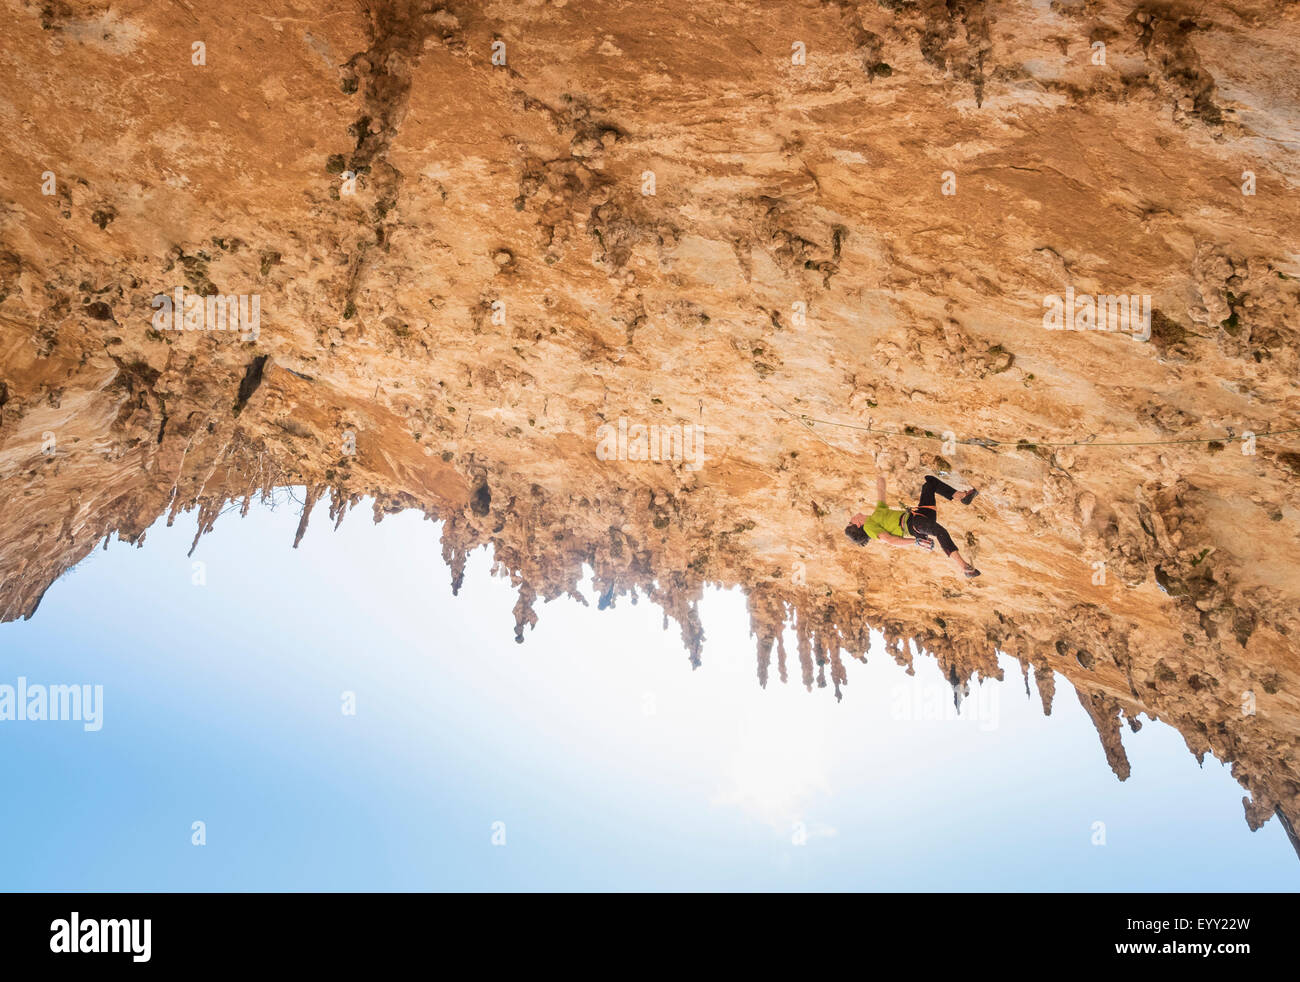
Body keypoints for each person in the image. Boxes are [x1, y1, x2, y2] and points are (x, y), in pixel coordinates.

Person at [845, 474, 981, 578]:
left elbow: (881, 490)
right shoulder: (869, 528)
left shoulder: (877, 514)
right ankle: (963, 566)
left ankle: (962, 497)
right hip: (914, 525)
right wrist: (915, 541)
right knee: (940, 532)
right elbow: (890, 540)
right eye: (850, 522)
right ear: (857, 524)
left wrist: (880, 470)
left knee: (929, 483)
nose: (850, 519)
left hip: (920, 515)